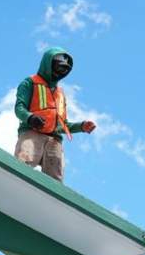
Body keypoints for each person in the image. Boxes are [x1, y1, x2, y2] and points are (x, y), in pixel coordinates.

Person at [13, 47, 96, 182]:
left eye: (64, 70)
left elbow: (62, 124)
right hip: (32, 133)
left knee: (55, 180)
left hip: (54, 140)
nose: (60, 72)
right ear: (48, 63)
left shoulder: (60, 94)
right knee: (22, 165)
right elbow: (19, 108)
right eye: (58, 67)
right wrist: (30, 118)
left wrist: (81, 126)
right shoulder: (30, 82)